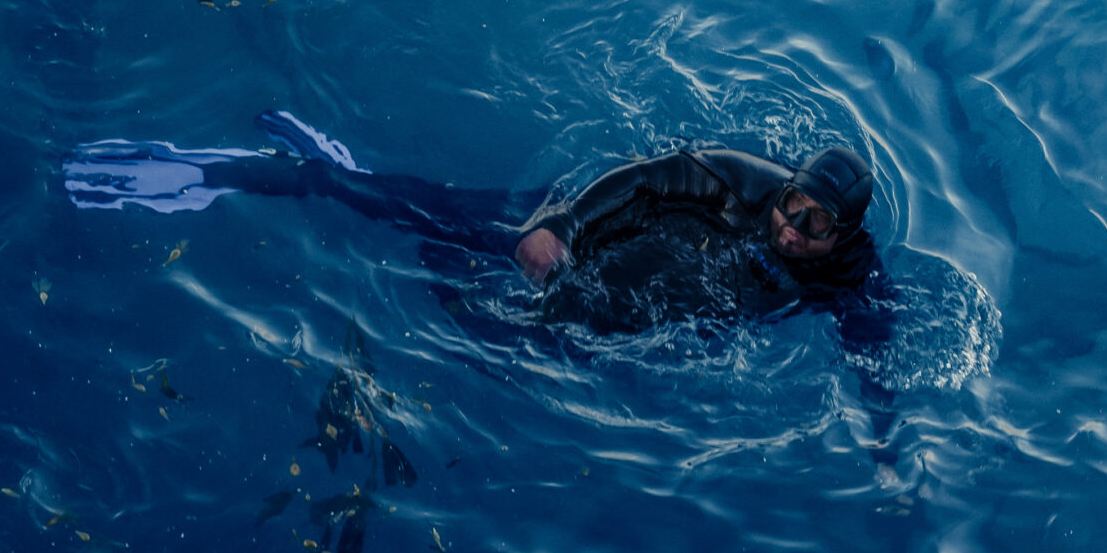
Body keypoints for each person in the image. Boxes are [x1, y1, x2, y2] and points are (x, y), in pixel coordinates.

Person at [65, 115, 901, 375]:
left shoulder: (847, 276)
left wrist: (888, 451)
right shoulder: (737, 184)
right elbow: (646, 180)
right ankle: (270, 174)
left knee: (523, 337)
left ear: (845, 234)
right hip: (586, 232)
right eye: (792, 205)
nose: (790, 226)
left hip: (641, 295)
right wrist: (559, 226)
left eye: (814, 224)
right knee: (435, 221)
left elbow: (871, 342)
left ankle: (342, 180)